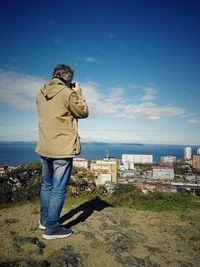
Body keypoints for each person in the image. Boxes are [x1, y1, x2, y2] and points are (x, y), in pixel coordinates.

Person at [35, 64, 89, 240]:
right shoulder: (67, 93)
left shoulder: (41, 93)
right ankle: (52, 228)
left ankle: (44, 220)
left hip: (45, 146)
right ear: (67, 79)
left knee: (46, 185)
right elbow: (83, 112)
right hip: (62, 149)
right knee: (58, 189)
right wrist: (78, 92)